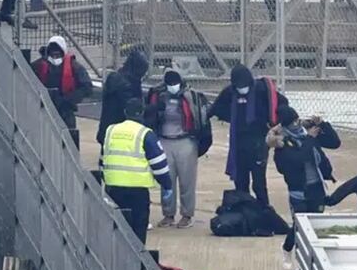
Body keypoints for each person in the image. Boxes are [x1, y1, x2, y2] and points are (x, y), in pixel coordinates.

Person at [266, 105, 340, 269]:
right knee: (299, 225)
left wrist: (324, 125)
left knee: (314, 225)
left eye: (298, 120)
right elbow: (299, 159)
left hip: (316, 186)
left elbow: (335, 143)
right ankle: (287, 249)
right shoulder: (283, 143)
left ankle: (308, 261)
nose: (297, 125)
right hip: (298, 189)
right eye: (293, 122)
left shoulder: (307, 135)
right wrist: (310, 139)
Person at [210, 64, 288, 207]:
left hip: (259, 142)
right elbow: (215, 109)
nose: (242, 88)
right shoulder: (230, 92)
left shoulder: (262, 90)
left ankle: (264, 210)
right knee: (240, 182)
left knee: (258, 183)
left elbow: (282, 104)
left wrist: (274, 124)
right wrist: (230, 117)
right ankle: (244, 212)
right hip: (239, 142)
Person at [145, 70, 212, 229]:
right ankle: (168, 214)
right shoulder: (157, 95)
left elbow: (201, 120)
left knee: (187, 181)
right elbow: (148, 115)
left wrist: (200, 144)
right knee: (166, 180)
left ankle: (187, 214)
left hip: (186, 141)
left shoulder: (191, 96)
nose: (172, 87)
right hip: (164, 140)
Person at [101, 98, 172, 245]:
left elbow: (103, 158)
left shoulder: (110, 130)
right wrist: (167, 184)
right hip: (137, 191)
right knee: (138, 231)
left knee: (117, 230)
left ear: (125, 112)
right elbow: (159, 164)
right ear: (142, 113)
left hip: (113, 189)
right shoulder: (145, 134)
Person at [31, 35, 93, 149]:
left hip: (66, 109)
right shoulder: (37, 66)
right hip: (44, 109)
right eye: (52, 54)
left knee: (69, 142)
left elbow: (87, 87)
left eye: (58, 54)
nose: (55, 57)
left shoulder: (75, 67)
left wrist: (69, 99)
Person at [96, 48, 149, 145]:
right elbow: (133, 107)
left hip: (107, 131)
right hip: (121, 133)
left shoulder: (115, 78)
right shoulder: (128, 85)